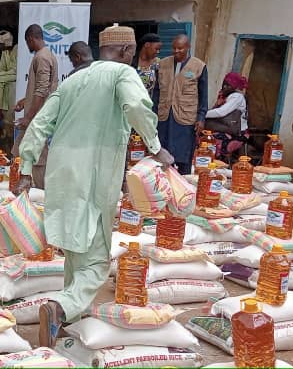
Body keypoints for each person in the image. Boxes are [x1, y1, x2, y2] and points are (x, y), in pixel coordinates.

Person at [15, 24, 174, 348]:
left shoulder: (73, 80)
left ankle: (69, 317)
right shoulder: (122, 75)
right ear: (128, 50)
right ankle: (61, 307)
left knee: (77, 247)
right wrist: (156, 147)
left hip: (62, 172)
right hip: (95, 173)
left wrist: (27, 166)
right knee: (98, 259)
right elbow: (136, 107)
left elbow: (40, 122)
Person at [153, 34, 207, 174]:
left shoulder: (199, 67)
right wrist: (152, 114)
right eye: (174, 48)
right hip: (164, 117)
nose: (176, 51)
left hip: (185, 118)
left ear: (188, 47)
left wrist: (201, 118)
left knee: (183, 154)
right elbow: (157, 92)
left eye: (180, 48)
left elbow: (203, 95)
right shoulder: (163, 64)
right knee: (162, 154)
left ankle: (183, 183)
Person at [12, 24, 59, 186]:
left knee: (37, 154)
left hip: (39, 117)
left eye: (27, 42)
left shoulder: (42, 57)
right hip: (39, 114)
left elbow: (42, 90)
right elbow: (40, 88)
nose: (28, 46)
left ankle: (40, 190)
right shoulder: (45, 55)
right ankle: (25, 185)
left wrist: (28, 117)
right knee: (20, 151)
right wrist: (25, 102)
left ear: (31, 39)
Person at [206, 72, 249, 159]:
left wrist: (201, 114)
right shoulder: (224, 96)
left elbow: (221, 112)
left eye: (228, 85)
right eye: (224, 84)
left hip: (237, 134)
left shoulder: (237, 97)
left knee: (211, 141)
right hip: (224, 128)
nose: (225, 87)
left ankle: (215, 162)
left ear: (234, 87)